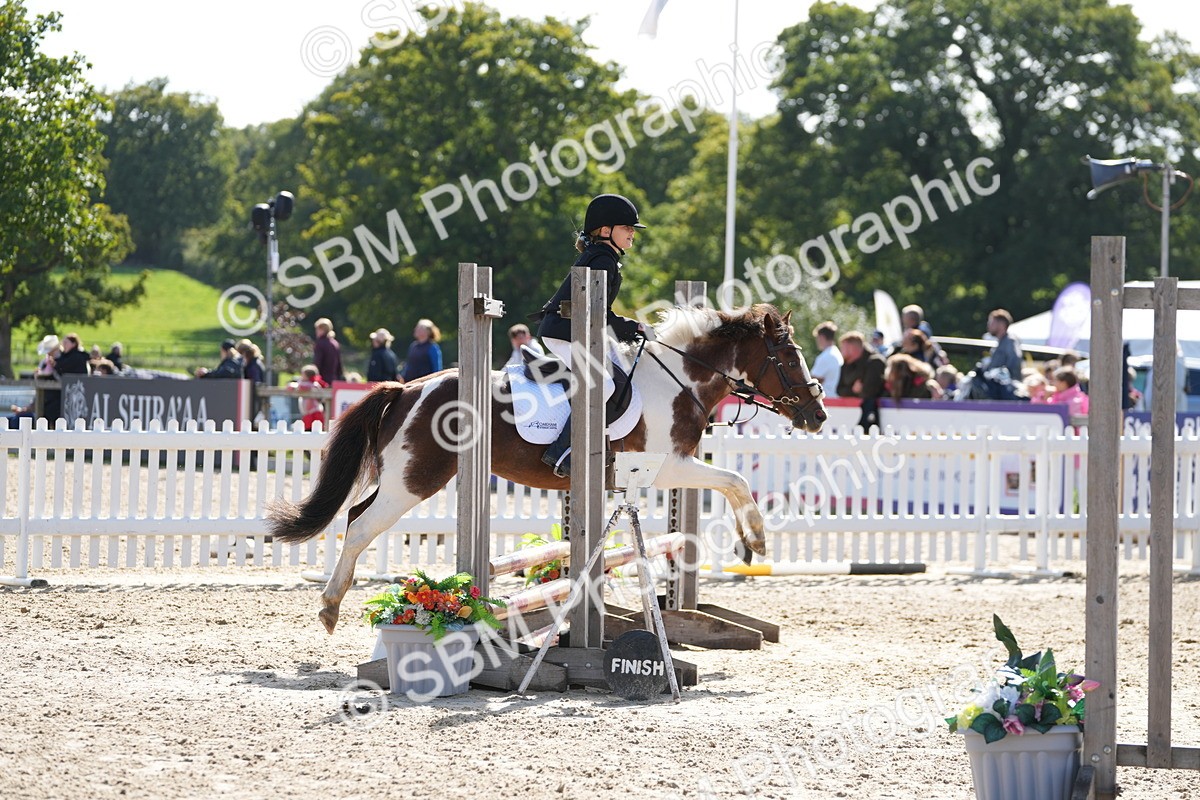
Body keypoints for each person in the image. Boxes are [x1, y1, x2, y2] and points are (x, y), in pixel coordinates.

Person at [532, 193, 646, 476]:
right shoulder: (602, 260)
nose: (632, 232)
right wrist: (633, 327)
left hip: (580, 332)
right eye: (626, 227)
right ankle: (562, 453)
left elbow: (599, 313)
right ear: (605, 231)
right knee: (603, 385)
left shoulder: (604, 257)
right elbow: (601, 314)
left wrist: (628, 329)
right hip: (565, 334)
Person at [836, 331, 887, 431]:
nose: (841, 351)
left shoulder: (874, 361)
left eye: (843, 347)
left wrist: (853, 391)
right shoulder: (846, 364)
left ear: (852, 348)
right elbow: (839, 390)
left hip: (871, 416)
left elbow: (868, 392)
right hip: (851, 415)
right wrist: (853, 390)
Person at [984, 309, 1023, 379]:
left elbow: (1014, 363)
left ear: (1002, 325)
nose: (989, 325)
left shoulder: (1010, 341)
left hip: (1006, 386)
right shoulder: (1000, 342)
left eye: (992, 322)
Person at [288, 364, 328, 430]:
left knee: (312, 430)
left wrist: (294, 386)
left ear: (307, 376)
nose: (301, 376)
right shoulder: (308, 383)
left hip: (313, 413)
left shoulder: (312, 384)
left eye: (302, 375)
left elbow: (301, 386)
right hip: (308, 413)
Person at [809, 321, 842, 399]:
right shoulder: (836, 353)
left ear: (822, 337)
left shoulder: (826, 356)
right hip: (834, 397)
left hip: (826, 398)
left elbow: (812, 380)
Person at [313, 317, 343, 386]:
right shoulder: (335, 343)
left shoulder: (320, 344)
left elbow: (317, 363)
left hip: (322, 381)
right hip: (334, 380)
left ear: (322, 329)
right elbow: (339, 365)